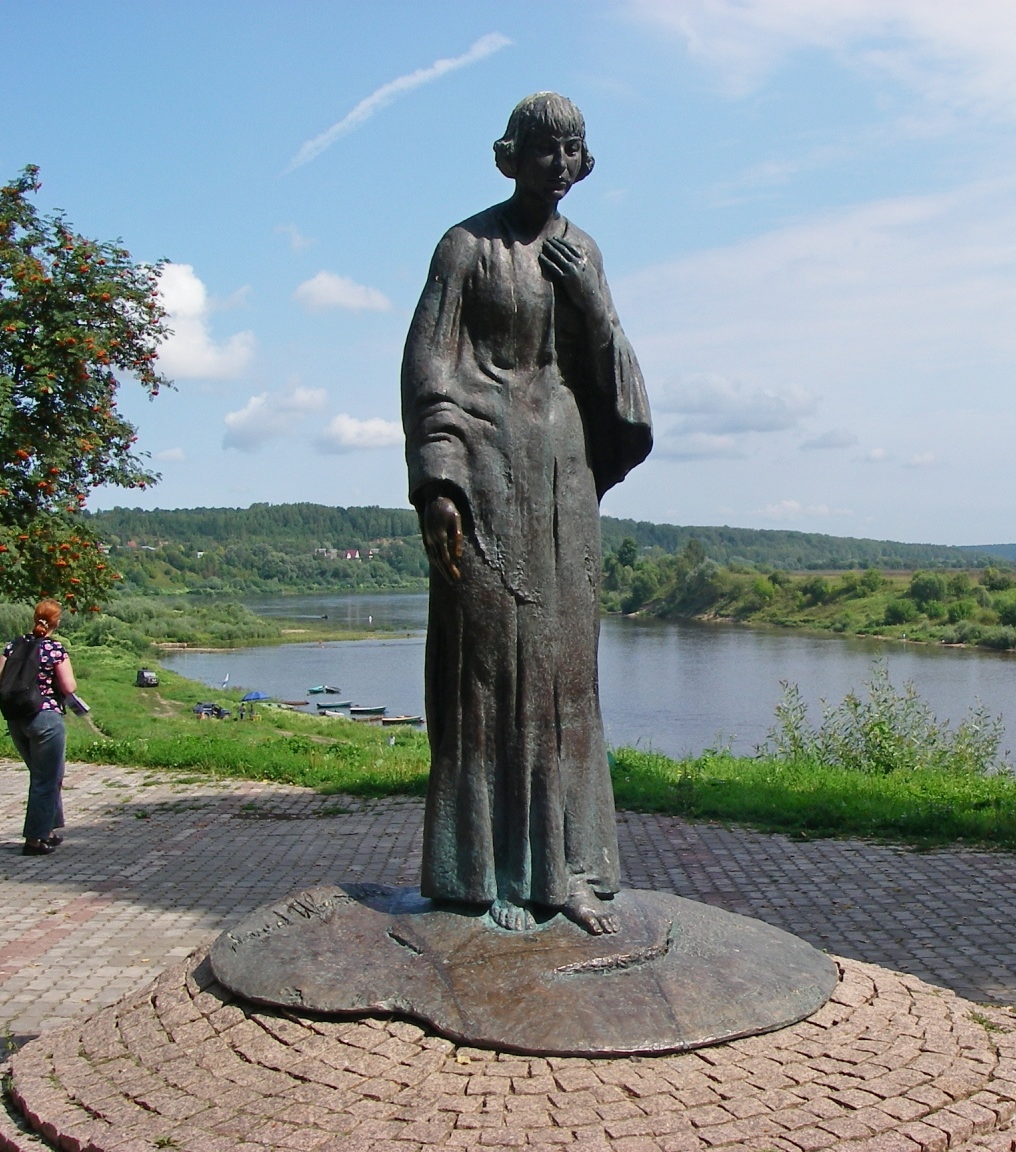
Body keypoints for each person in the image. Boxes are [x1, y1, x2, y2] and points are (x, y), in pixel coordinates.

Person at [401, 93, 651, 935]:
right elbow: (428, 362)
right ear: (512, 155)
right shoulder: (465, 247)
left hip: (564, 481)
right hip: (485, 474)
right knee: (491, 670)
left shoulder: (584, 254)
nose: (560, 162)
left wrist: (594, 304)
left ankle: (570, 872)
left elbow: (616, 376)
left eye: (573, 148)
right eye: (545, 147)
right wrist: (438, 478)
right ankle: (486, 873)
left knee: (564, 675)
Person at [0, 600, 75, 856]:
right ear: (56, 622)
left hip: (17, 718)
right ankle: (35, 840)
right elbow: (69, 687)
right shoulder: (54, 649)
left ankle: (49, 828)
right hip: (45, 718)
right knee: (46, 779)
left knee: (45, 775)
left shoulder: (14, 645)